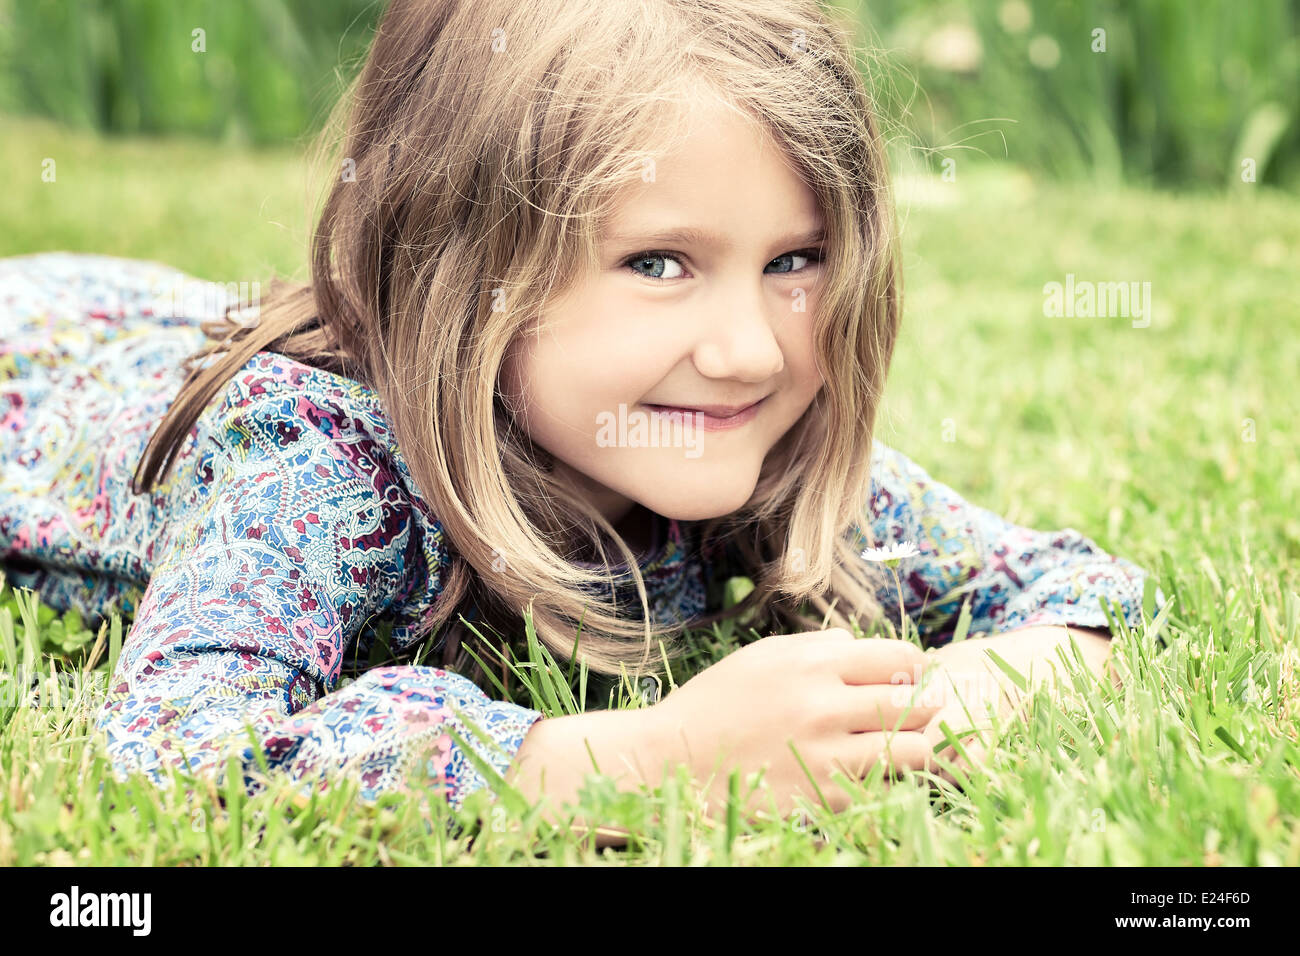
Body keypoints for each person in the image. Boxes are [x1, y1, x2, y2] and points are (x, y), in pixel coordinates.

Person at [0, 0, 1166, 846]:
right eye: (658, 262)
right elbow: (178, 754)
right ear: (455, 268)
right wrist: (642, 759)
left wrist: (924, 704)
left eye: (795, 260)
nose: (749, 349)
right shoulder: (308, 457)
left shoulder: (736, 443)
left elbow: (1088, 596)